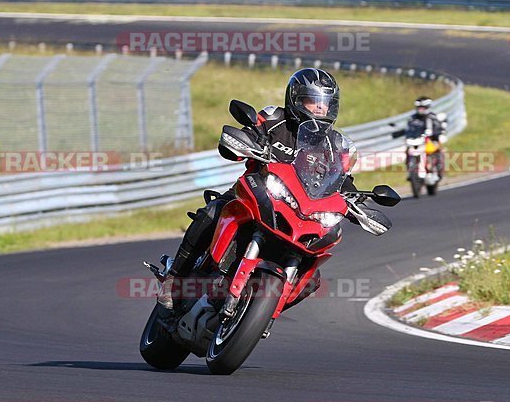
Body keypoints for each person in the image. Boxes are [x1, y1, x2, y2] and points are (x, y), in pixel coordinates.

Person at [157, 68, 355, 312]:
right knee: (213, 211)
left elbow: (343, 180)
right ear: (295, 98)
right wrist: (245, 141)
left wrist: (356, 200)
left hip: (302, 213)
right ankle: (174, 278)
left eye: (325, 104)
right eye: (313, 101)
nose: (319, 109)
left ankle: (262, 310)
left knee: (312, 279)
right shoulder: (275, 119)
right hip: (256, 192)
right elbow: (250, 132)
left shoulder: (334, 144)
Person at [402, 96, 448, 178]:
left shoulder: (432, 117)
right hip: (417, 139)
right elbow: (408, 129)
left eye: (423, 107)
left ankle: (438, 166)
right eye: (419, 107)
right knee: (408, 150)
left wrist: (436, 132)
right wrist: (403, 133)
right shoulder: (412, 118)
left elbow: (439, 127)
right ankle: (410, 169)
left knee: (437, 147)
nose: (421, 109)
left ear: (427, 107)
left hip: (430, 139)